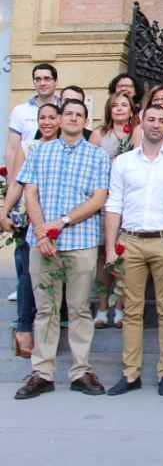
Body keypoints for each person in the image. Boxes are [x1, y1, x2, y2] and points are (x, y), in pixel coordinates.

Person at [14, 98, 110, 399]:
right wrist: (42, 231)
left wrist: (60, 222)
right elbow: (30, 193)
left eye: (79, 114)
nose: (72, 118)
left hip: (80, 243)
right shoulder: (40, 152)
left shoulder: (97, 156)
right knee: (46, 309)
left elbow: (98, 199)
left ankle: (80, 370)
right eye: (67, 113)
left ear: (85, 121)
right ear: (59, 118)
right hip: (42, 244)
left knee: (80, 308)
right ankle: (42, 373)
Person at [104, 104, 163, 397]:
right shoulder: (123, 162)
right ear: (140, 121)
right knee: (131, 309)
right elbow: (113, 205)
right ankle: (130, 374)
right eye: (150, 119)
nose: (155, 125)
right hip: (130, 241)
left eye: (161, 121)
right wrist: (111, 249)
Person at [1, 103, 61, 361]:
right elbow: (17, 182)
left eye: (51, 117)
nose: (46, 122)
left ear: (60, 119)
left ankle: (51, 329)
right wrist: (4, 212)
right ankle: (24, 327)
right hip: (30, 219)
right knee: (29, 274)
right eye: (42, 118)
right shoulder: (29, 147)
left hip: (58, 222)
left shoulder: (67, 148)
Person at [89, 91, 142, 329]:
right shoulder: (99, 134)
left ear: (132, 110)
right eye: (115, 105)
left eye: (124, 105)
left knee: (124, 256)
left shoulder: (136, 134)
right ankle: (101, 308)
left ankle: (119, 307)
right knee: (104, 257)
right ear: (109, 110)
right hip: (104, 201)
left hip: (127, 202)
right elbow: (87, 168)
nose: (119, 109)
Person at [5, 63, 59, 170]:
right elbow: (12, 149)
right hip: (27, 173)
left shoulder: (64, 109)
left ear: (56, 81)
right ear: (34, 83)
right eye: (38, 79)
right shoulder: (20, 111)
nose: (42, 83)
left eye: (47, 79)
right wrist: (10, 181)